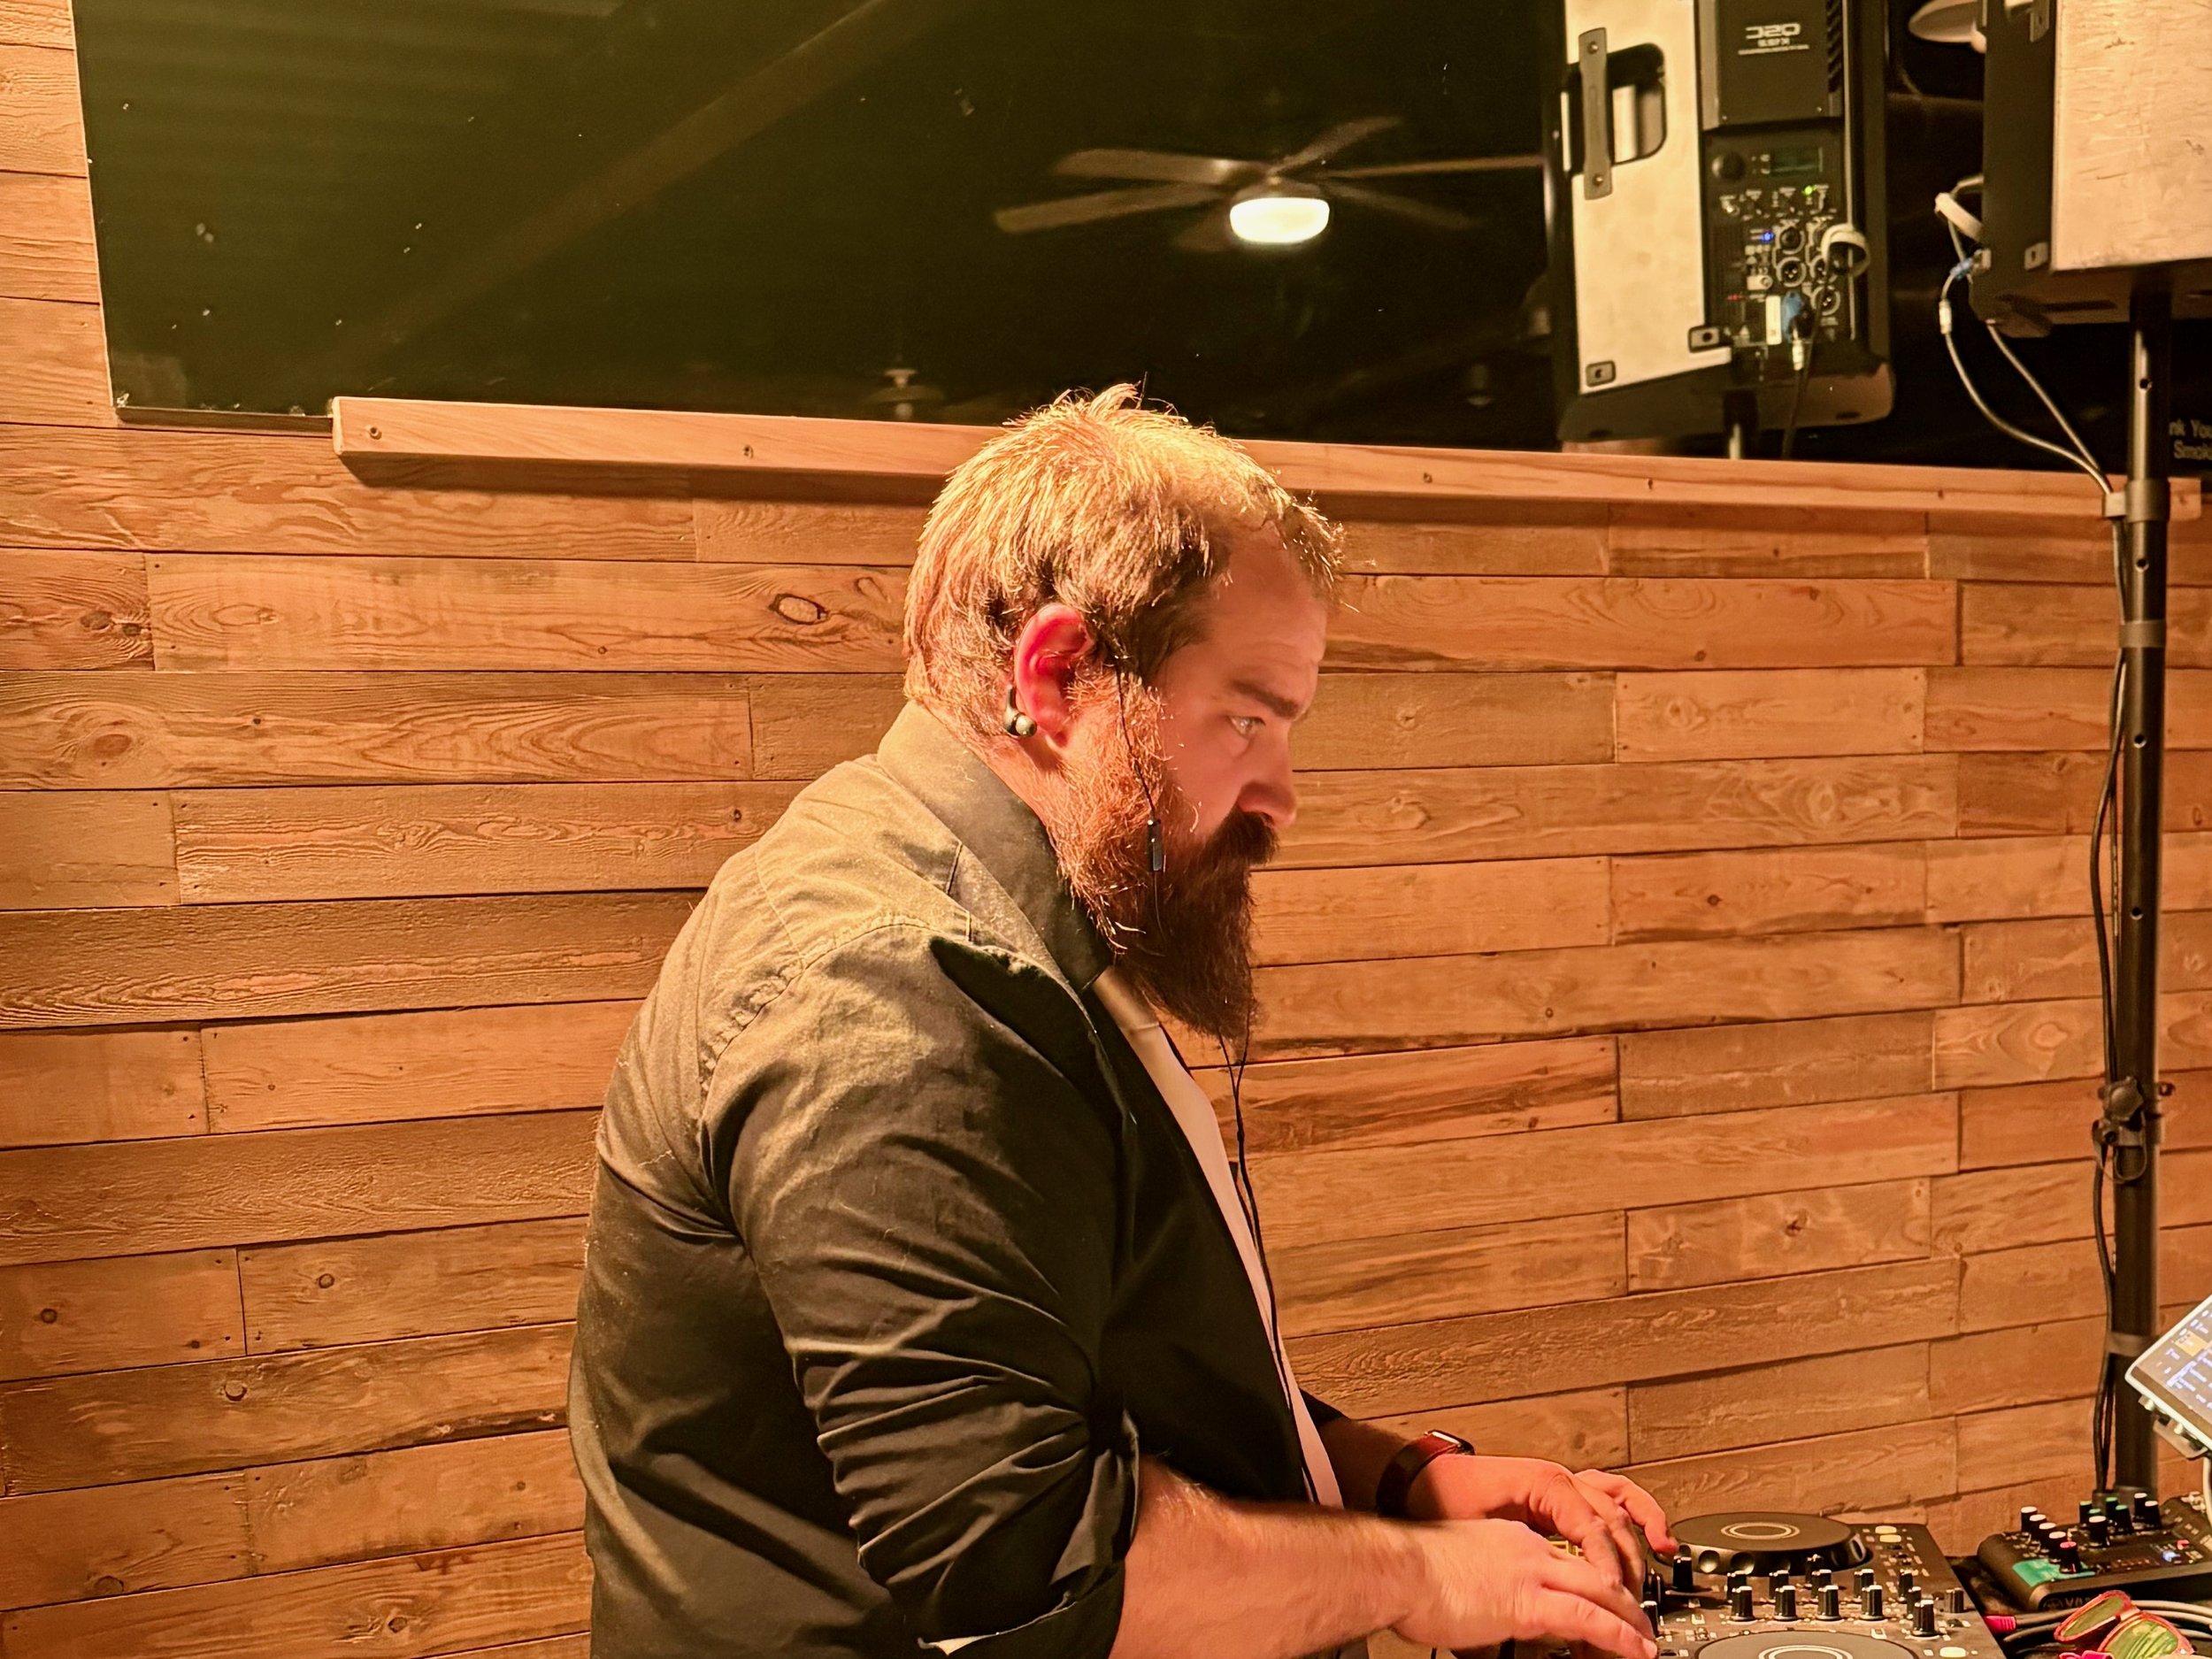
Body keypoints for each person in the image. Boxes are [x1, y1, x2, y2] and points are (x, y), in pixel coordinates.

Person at [569, 386, 1674, 1659]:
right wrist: (1415, 1575)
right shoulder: (891, 992)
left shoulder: (991, 914)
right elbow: (1033, 1568)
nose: (1281, 796)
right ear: (1057, 675)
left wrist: (1388, 1475)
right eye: (1247, 718)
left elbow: (1063, 1369)